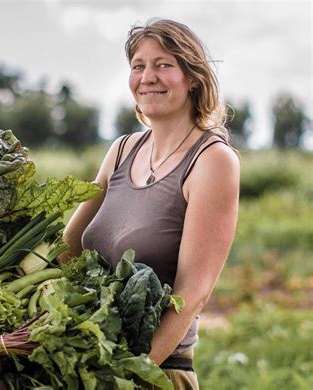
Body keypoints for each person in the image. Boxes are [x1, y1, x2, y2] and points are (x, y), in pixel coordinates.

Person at [60, 18, 240, 389]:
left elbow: (192, 293)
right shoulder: (121, 150)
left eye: (163, 65)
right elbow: (68, 250)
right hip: (87, 361)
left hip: (155, 370)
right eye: (138, 66)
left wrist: (127, 373)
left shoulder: (212, 161)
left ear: (193, 78)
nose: (148, 77)